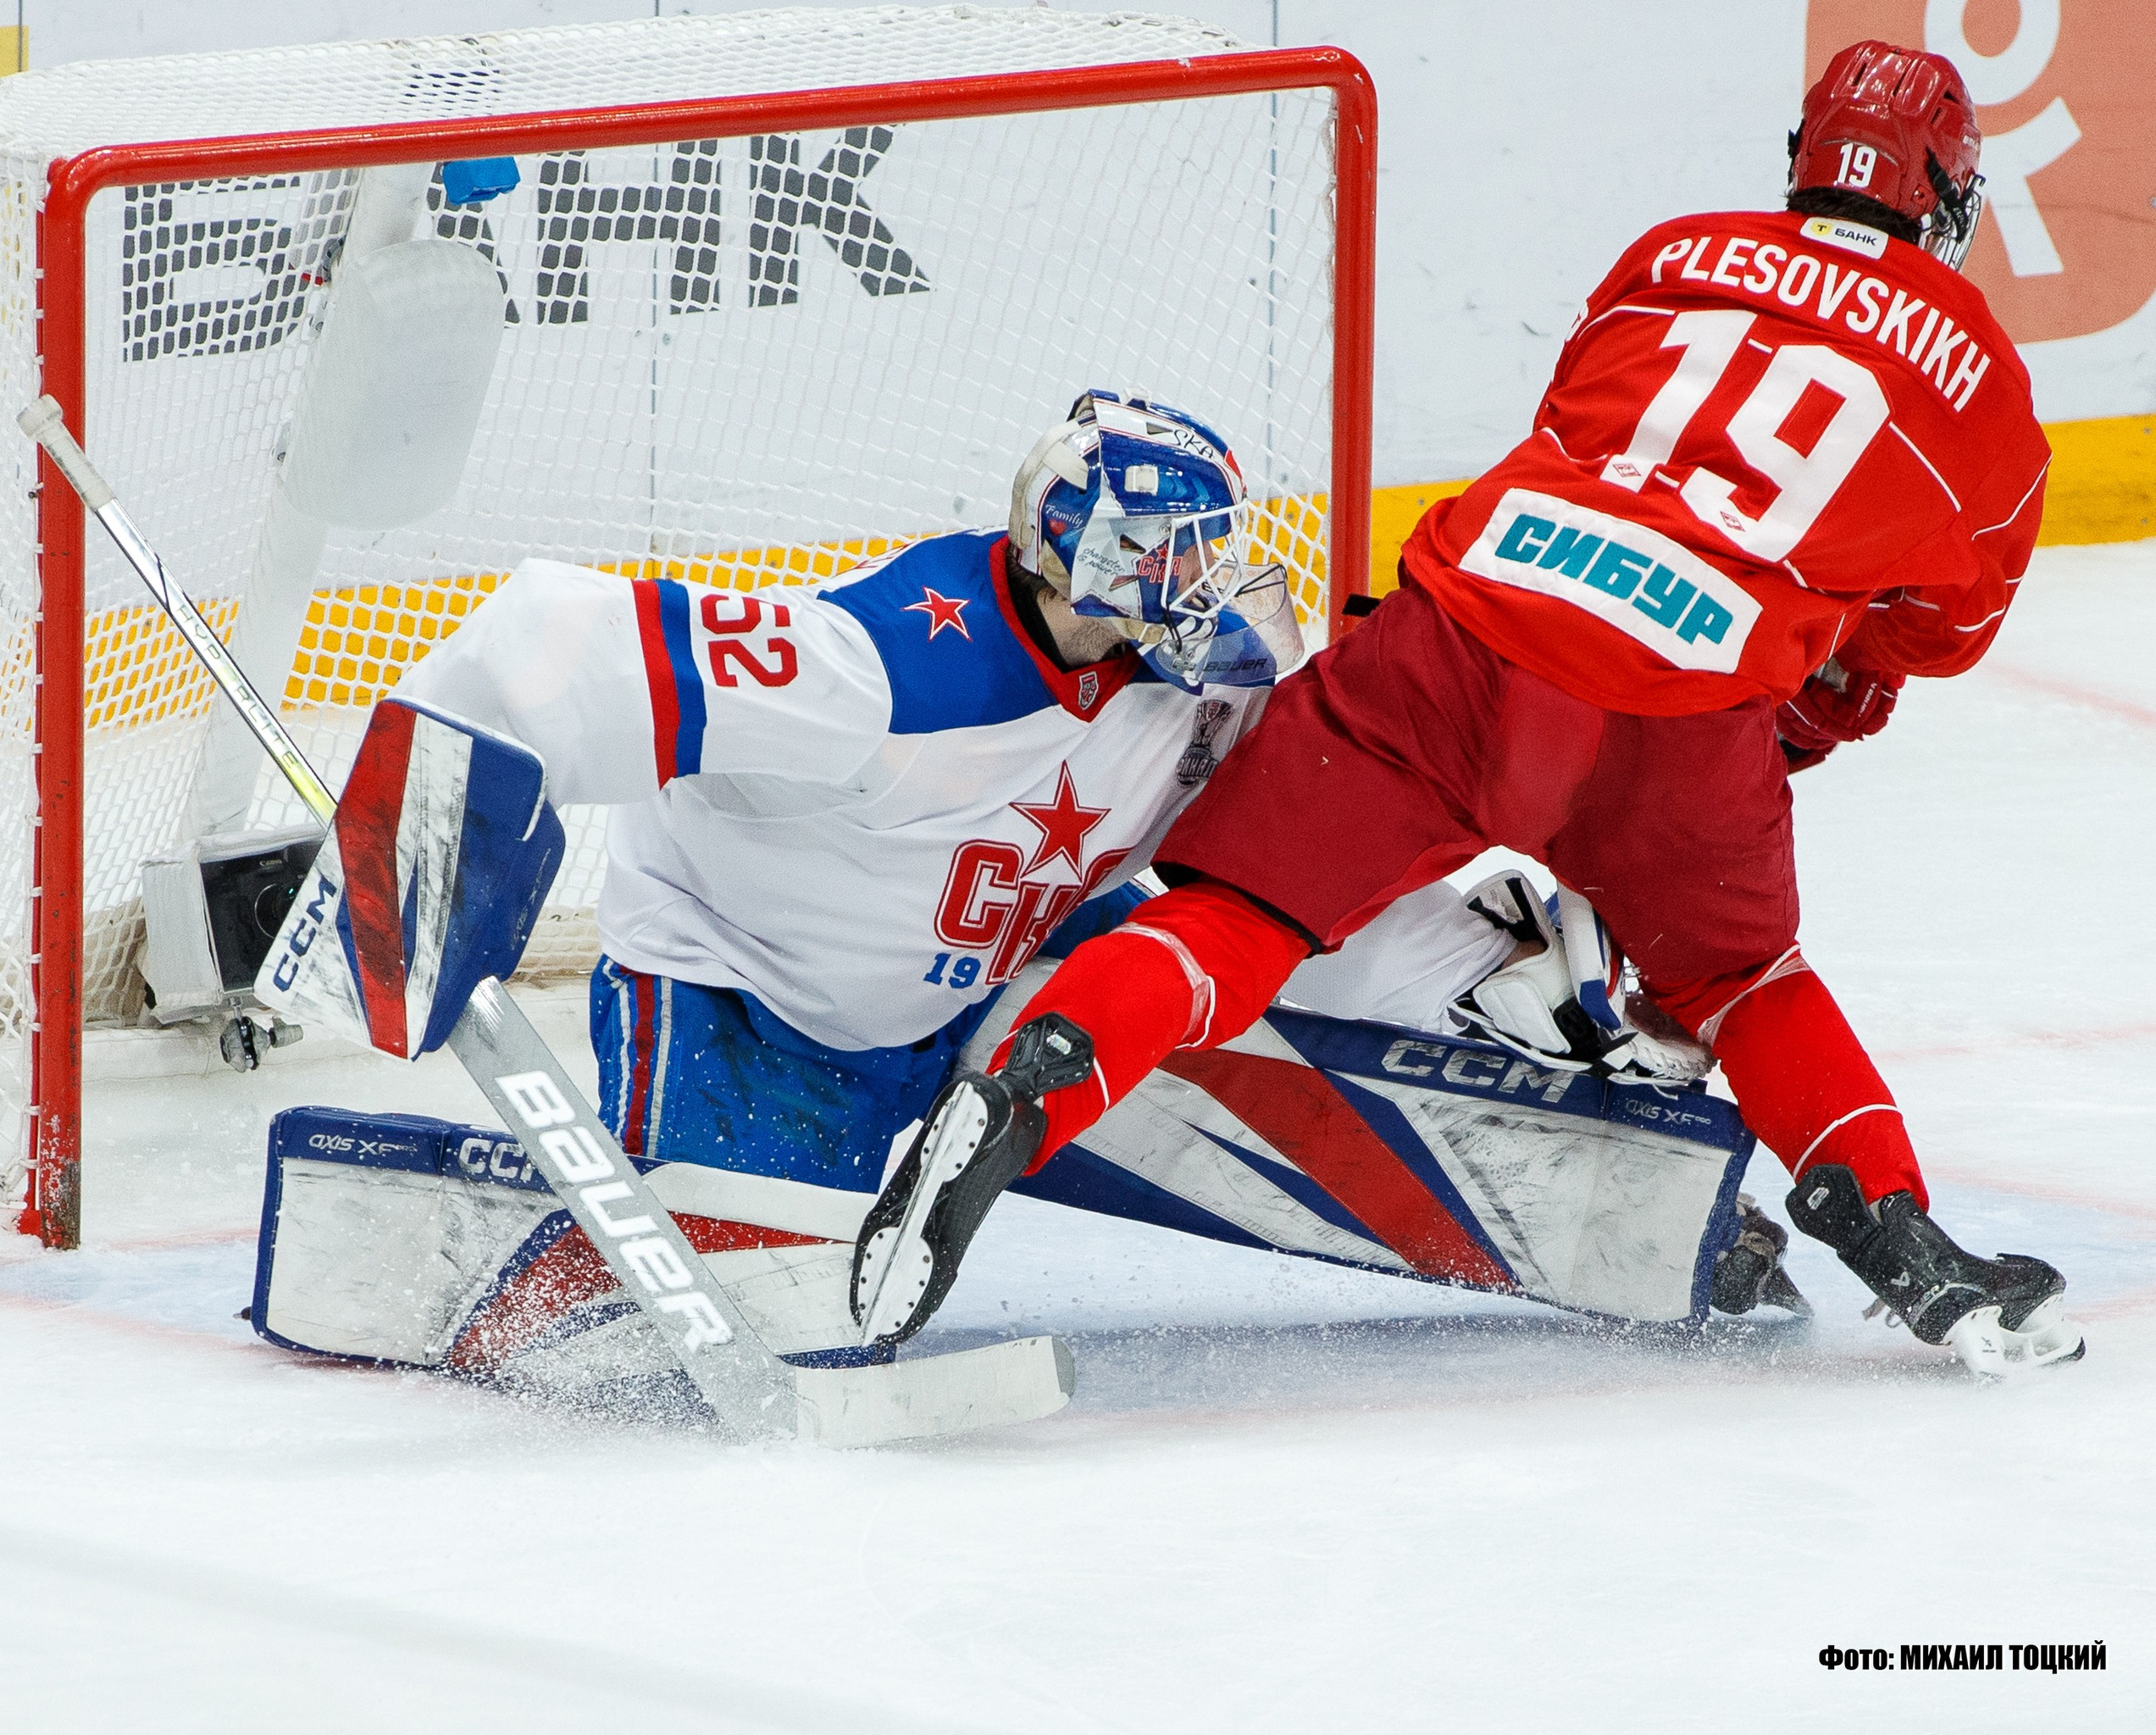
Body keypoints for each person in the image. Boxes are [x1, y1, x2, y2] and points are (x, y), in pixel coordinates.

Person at [863, 42, 2085, 1376]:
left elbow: (1583, 429)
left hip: (1466, 624)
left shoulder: (1674, 253)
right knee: (1745, 981)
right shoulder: (1990, 393)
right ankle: (1909, 1250)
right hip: (1676, 714)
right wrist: (1805, 701)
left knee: (1241, 918)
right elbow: (1934, 638)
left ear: (1803, 164)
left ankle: (1028, 1083)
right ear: (1949, 200)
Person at [264, 388, 1743, 1372]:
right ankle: (524, 1245)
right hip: (747, 993)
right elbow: (566, 645)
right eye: (1175, 548)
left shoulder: (1191, 692)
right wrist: (427, 821)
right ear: (1085, 553)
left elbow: (1281, 886)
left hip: (995, 981)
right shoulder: (887, 669)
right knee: (787, 1330)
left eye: (1211, 547)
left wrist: (1480, 967)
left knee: (1170, 994)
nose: (1207, 577)